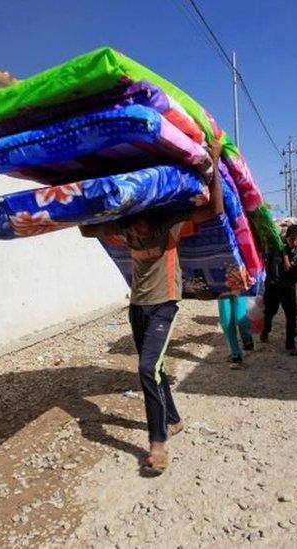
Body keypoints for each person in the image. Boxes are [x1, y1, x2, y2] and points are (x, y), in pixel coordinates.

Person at [78, 142, 225, 473]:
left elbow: (214, 210)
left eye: (139, 223)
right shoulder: (125, 225)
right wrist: (80, 192)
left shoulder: (170, 223)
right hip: (138, 306)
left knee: (146, 368)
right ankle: (173, 418)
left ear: (150, 211)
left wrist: (213, 164)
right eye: (130, 224)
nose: (135, 231)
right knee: (154, 368)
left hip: (164, 304)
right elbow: (88, 230)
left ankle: (157, 443)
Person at [260, 224, 297, 356]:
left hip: (287, 287)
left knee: (291, 315)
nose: (294, 243)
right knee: (270, 312)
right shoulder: (274, 247)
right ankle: (266, 330)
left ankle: (290, 345)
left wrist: (285, 255)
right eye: (291, 239)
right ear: (286, 237)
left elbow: (289, 269)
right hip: (272, 286)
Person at [218, 295, 253, 368]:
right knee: (227, 322)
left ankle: (247, 339)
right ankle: (236, 354)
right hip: (222, 289)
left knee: (241, 318)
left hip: (239, 288)